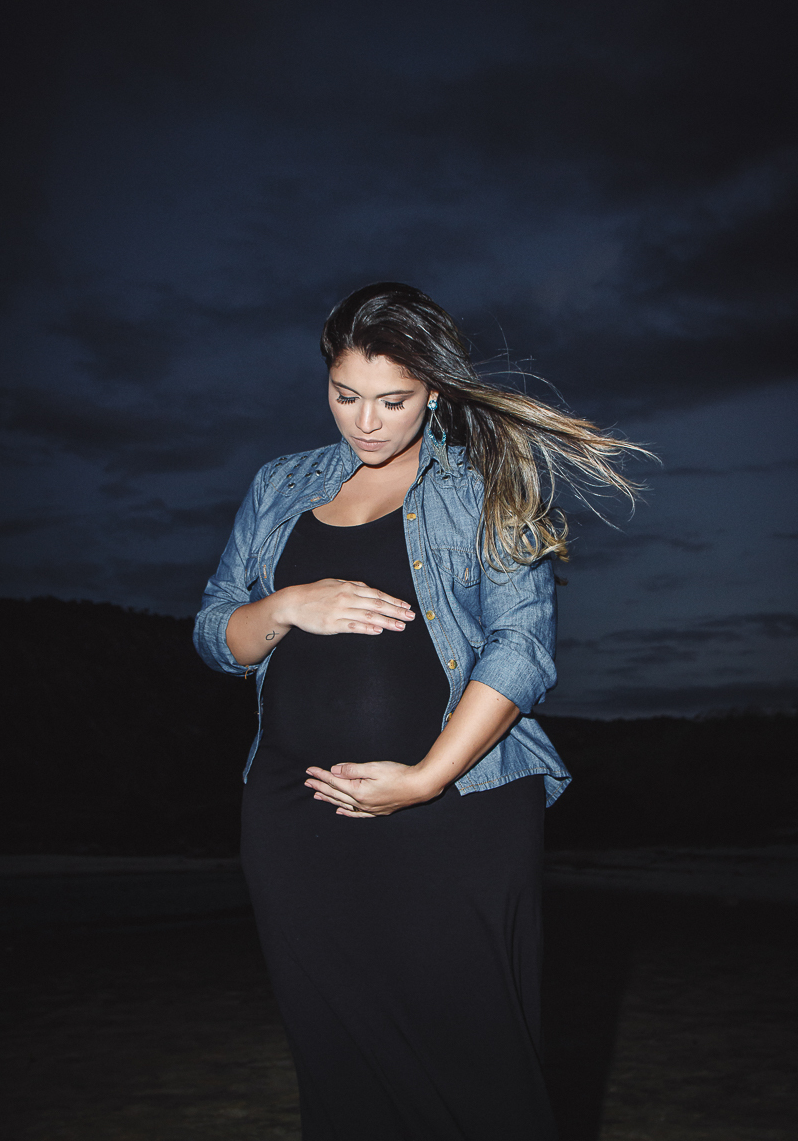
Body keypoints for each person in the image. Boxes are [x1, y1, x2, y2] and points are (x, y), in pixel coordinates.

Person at [193, 282, 648, 1140]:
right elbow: (218, 634)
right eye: (345, 395)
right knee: (339, 1063)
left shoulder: (485, 483)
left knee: (477, 1066)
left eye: (393, 400)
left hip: (456, 808)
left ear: (434, 390)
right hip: (294, 813)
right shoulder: (279, 484)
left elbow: (523, 649)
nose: (365, 422)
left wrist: (426, 779)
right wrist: (287, 604)